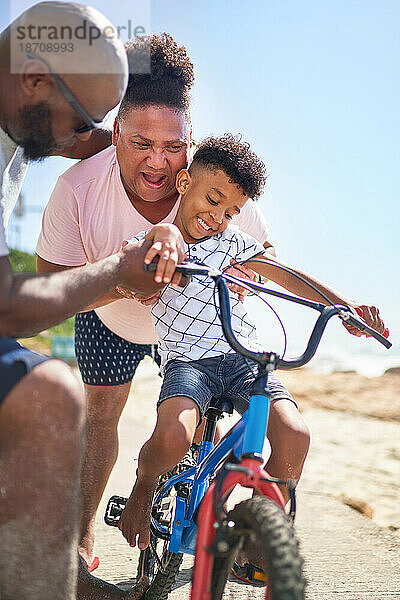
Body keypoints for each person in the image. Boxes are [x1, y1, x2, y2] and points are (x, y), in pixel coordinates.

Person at [36, 33, 290, 574]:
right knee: (102, 414)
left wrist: (245, 278)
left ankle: (205, 522)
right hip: (110, 318)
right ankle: (81, 539)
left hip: (194, 329)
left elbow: (266, 256)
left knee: (202, 418)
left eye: (172, 146)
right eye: (140, 143)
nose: (156, 162)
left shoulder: (214, 186)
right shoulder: (77, 189)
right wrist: (124, 286)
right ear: (116, 133)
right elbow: (49, 293)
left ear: (190, 142)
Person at [118, 134, 387, 562]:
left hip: (245, 358)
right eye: (213, 199)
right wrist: (156, 262)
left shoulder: (237, 243)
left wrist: (343, 307)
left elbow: (284, 275)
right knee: (172, 437)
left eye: (231, 211)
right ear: (184, 182)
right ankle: (143, 486)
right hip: (189, 363)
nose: (219, 217)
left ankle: (265, 530)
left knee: (295, 434)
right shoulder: (158, 241)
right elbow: (134, 264)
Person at [0, 4, 184, 600]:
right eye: (83, 121)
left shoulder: (17, 132)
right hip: (57, 309)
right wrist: (118, 274)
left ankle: (55, 573)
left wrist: (128, 144)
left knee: (52, 392)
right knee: (57, 396)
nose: (88, 142)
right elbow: (7, 303)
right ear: (32, 78)